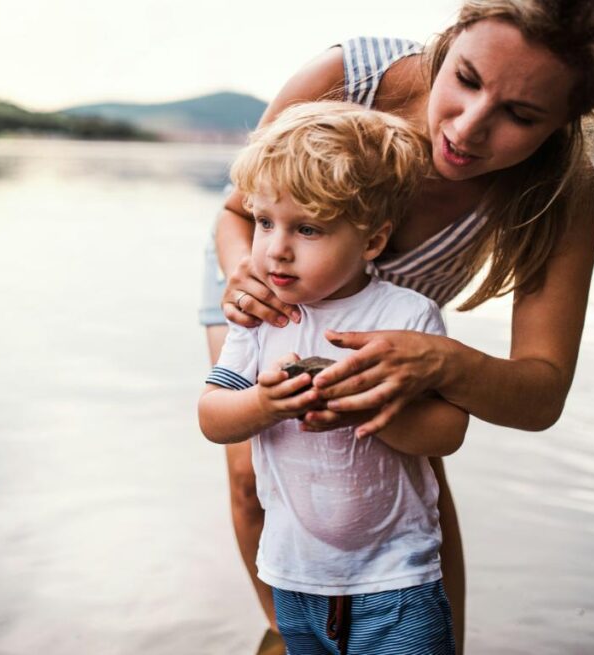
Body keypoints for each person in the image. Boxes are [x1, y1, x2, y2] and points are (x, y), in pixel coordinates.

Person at [198, 1, 594, 653]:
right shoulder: (348, 78)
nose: (468, 129)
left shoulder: (558, 189)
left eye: (520, 116)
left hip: (404, 321)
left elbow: (541, 391)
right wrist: (244, 270)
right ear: (452, 36)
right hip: (262, 282)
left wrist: (441, 361)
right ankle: (294, 632)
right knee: (253, 471)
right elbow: (242, 214)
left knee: (418, 468)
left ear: (566, 120)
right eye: (466, 78)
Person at [199, 102, 468, 655]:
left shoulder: (407, 317)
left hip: (397, 582)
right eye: (265, 222)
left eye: (308, 228)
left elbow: (447, 433)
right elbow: (212, 417)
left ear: (371, 241)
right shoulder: (262, 315)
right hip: (294, 576)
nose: (276, 248)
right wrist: (264, 404)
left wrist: (368, 406)